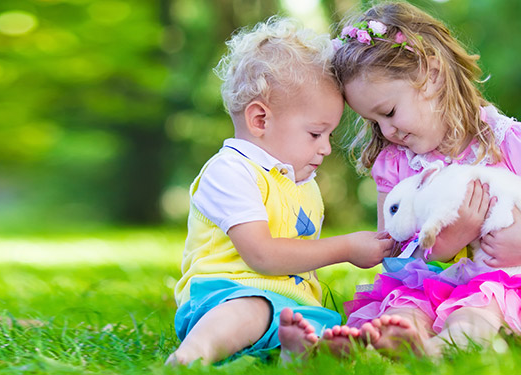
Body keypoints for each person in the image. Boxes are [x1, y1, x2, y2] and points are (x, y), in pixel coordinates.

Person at [320, 2, 521, 357]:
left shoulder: (511, 143)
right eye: (374, 122)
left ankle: (444, 349)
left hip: (514, 282)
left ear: (433, 75)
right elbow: (392, 249)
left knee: (478, 308)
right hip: (431, 284)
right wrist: (445, 245)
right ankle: (397, 339)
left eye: (389, 112)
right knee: (403, 308)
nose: (387, 130)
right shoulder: (394, 164)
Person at [165, 16, 394, 366]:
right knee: (251, 310)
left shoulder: (300, 181)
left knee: (322, 322)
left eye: (329, 136)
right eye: (316, 133)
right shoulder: (232, 171)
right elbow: (263, 255)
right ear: (260, 120)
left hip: (291, 303)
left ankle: (296, 350)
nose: (326, 148)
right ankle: (192, 355)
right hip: (225, 295)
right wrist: (346, 247)